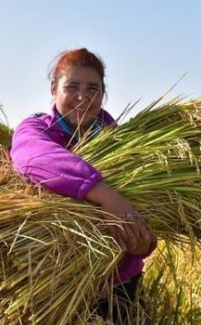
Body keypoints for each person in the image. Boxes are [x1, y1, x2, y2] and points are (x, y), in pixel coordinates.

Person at [10, 48, 156, 323]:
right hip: (54, 283)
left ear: (103, 93)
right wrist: (105, 195)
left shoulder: (123, 143)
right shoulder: (36, 130)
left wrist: (141, 245)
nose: (82, 97)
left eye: (93, 88)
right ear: (54, 89)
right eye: (72, 87)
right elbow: (35, 158)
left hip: (119, 282)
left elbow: (149, 210)